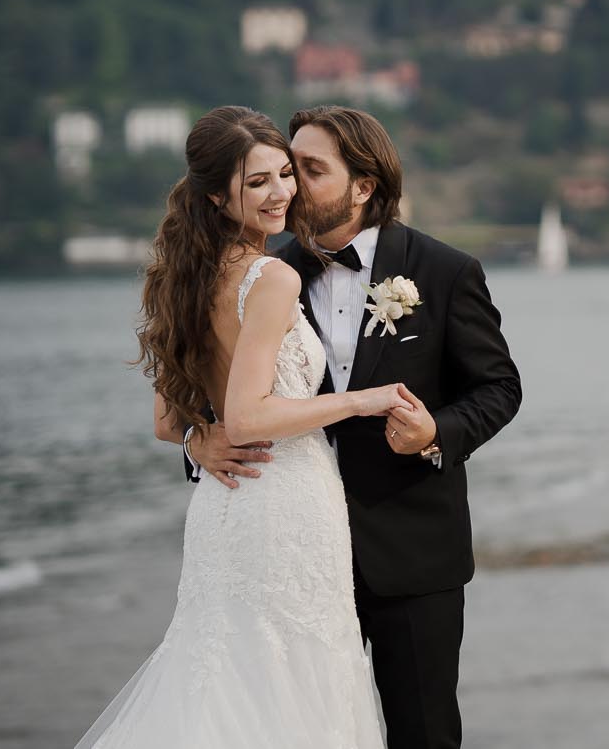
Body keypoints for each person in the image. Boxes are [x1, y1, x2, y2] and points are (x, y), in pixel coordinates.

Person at [187, 105, 522, 749]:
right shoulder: (268, 273)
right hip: (293, 548)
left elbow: (499, 388)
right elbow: (214, 393)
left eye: (308, 171)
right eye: (284, 168)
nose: (289, 186)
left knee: (422, 735)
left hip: (410, 550)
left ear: (362, 185)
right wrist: (195, 441)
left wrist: (435, 434)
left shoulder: (446, 271)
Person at [79, 105, 402, 748]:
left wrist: (203, 438)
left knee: (227, 679)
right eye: (258, 182)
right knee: (294, 687)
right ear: (217, 195)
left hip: (224, 506)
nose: (282, 192)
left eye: (286, 174)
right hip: (284, 504)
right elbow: (251, 413)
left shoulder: (181, 277)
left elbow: (169, 423)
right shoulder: (271, 276)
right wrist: (360, 401)